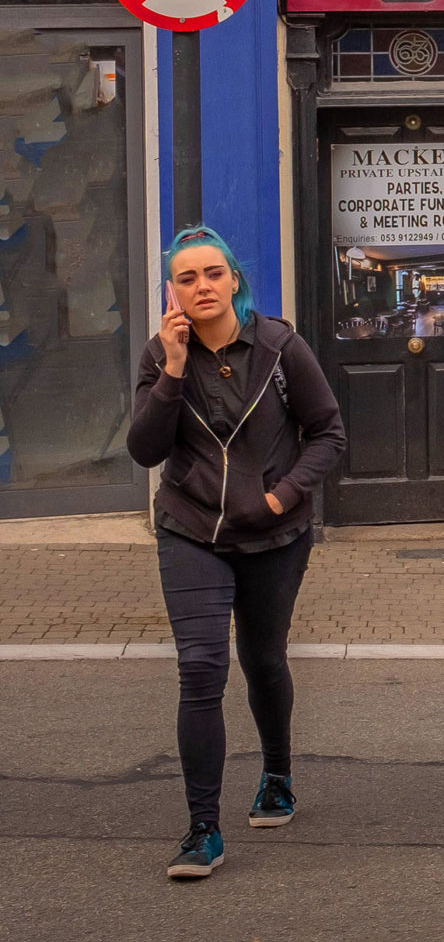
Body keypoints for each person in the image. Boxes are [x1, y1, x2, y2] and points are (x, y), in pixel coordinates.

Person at [128, 226, 347, 879]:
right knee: (200, 668)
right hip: (191, 528)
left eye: (212, 273)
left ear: (234, 280)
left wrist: (281, 498)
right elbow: (145, 448)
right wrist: (170, 370)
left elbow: (328, 433)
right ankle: (203, 829)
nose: (202, 286)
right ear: (173, 289)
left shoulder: (279, 346)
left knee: (261, 657)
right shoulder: (161, 354)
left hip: (273, 533)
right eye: (187, 277)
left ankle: (276, 772)